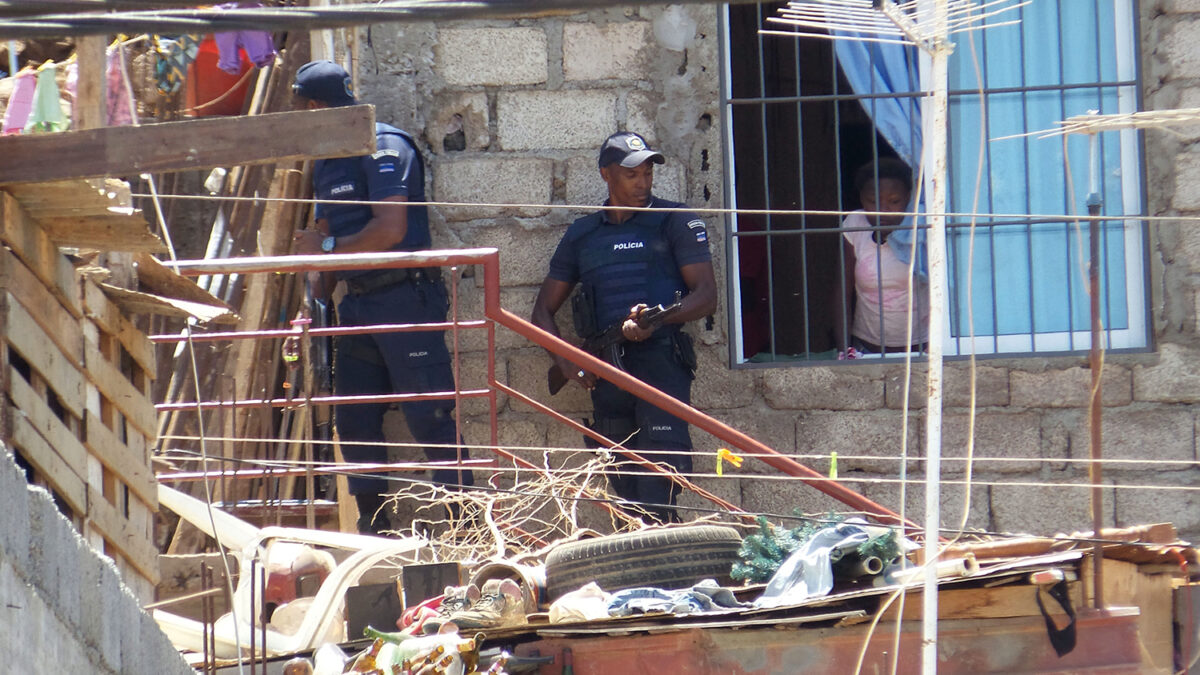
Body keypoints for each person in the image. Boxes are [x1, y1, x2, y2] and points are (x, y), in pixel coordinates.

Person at [290, 60, 472, 534]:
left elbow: (389, 229)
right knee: (353, 419)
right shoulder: (327, 163)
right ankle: (374, 531)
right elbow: (324, 234)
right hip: (357, 304)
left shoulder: (385, 145)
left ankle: (466, 525)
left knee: (429, 417)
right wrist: (311, 303)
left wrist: (324, 248)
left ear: (314, 108)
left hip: (403, 299)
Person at [530, 131, 717, 523]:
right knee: (625, 486)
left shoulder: (673, 221)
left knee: (659, 484)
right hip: (606, 372)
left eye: (648, 173)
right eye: (632, 175)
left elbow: (705, 297)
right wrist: (565, 362)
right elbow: (543, 313)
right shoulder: (583, 235)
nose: (643, 183)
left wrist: (655, 320)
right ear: (606, 175)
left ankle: (666, 557)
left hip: (660, 365)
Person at [834, 158, 929, 357]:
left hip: (924, 346)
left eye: (894, 201)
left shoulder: (922, 226)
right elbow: (842, 290)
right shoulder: (855, 223)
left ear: (909, 198)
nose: (883, 210)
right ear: (861, 198)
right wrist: (844, 350)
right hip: (866, 347)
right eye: (873, 201)